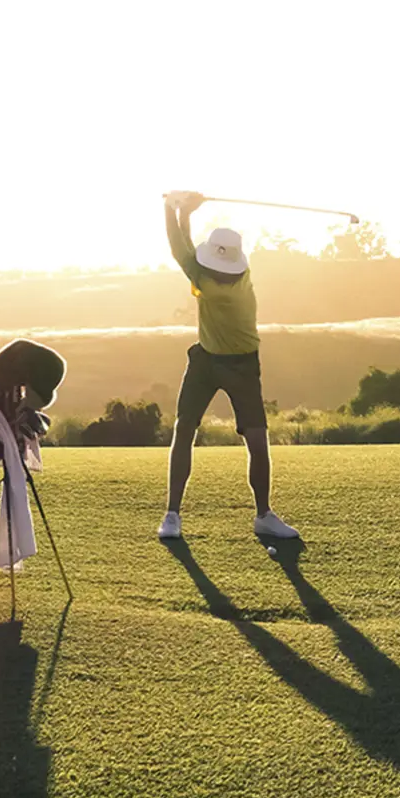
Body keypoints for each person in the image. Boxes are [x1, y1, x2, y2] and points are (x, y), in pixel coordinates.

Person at [158, 192, 298, 542]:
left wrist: (174, 209)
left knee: (254, 438)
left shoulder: (207, 281)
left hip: (240, 365)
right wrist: (183, 212)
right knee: (185, 429)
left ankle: (263, 515)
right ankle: (172, 514)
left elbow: (180, 249)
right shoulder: (238, 274)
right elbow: (185, 249)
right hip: (207, 359)